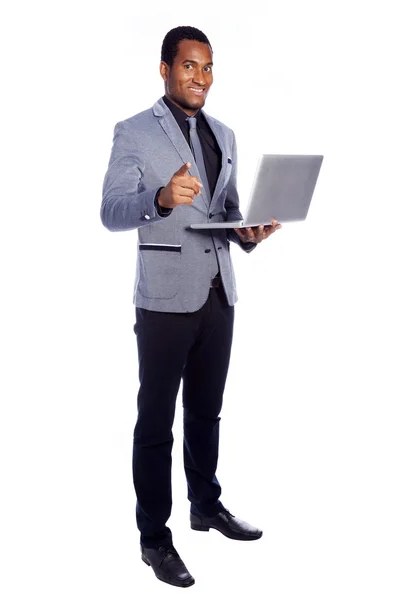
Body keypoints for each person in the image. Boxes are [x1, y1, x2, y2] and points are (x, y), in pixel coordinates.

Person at [101, 25, 281, 588]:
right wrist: (157, 198)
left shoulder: (224, 134)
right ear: (165, 69)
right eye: (189, 66)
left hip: (217, 292)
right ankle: (154, 537)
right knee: (155, 421)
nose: (200, 77)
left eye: (207, 68)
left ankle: (206, 504)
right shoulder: (134, 131)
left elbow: (224, 213)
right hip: (162, 298)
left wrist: (249, 233)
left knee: (207, 411)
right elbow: (110, 211)